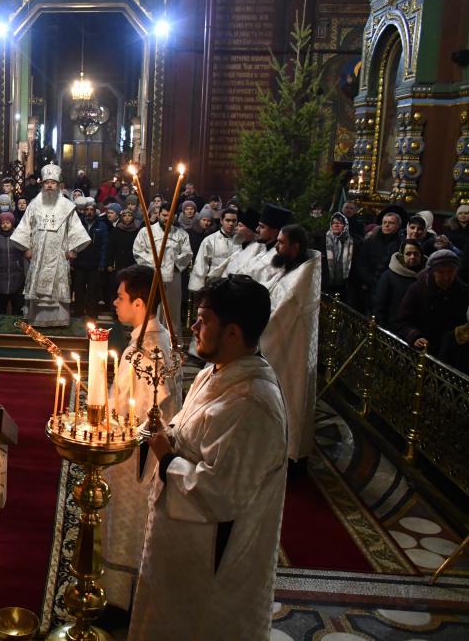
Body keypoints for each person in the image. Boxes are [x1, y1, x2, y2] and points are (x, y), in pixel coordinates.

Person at [129, 275, 288, 641]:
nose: (194, 327)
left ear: (233, 333)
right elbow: (188, 428)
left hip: (211, 560)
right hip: (180, 540)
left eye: (203, 320)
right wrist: (167, 433)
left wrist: (168, 458)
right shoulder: (215, 372)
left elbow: (221, 493)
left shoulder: (253, 404)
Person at [101, 265, 182, 614]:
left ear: (137, 302)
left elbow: (153, 412)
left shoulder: (149, 350)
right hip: (130, 451)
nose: (115, 303)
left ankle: (121, 602)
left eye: (120, 297)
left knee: (129, 527)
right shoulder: (148, 338)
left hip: (136, 461)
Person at [261, 224, 321, 462]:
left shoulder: (302, 277)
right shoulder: (291, 268)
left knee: (290, 399)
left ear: (295, 247)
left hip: (290, 349)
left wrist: (254, 328)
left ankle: (287, 451)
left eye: (281, 243)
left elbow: (279, 317)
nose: (276, 246)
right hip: (281, 344)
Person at [10, 163, 91, 327]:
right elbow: (25, 226)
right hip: (38, 254)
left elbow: (75, 228)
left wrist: (74, 249)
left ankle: (59, 319)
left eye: (52, 183)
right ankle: (37, 319)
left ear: (58, 185)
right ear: (42, 184)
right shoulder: (33, 204)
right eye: (46, 183)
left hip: (59, 255)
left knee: (58, 287)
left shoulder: (67, 206)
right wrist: (26, 247)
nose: (49, 186)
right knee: (38, 286)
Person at [133, 202, 192, 334]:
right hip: (152, 276)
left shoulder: (181, 234)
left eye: (170, 216)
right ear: (159, 214)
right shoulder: (146, 231)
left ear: (175, 216)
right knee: (151, 309)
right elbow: (138, 251)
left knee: (171, 312)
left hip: (173, 277)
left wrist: (171, 263)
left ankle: (172, 344)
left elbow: (187, 253)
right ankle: (147, 338)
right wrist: (155, 264)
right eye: (164, 215)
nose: (167, 219)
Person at [396, 249, 469, 354]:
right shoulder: (417, 289)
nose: (446, 277)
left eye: (450, 271)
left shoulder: (464, 292)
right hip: (422, 352)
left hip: (451, 354)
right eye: (440, 272)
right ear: (432, 272)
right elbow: (402, 322)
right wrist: (415, 337)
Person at [355, 211, 404, 311]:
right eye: (384, 222)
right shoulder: (371, 241)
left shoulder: (401, 244)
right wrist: (368, 279)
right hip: (368, 287)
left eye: (391, 223)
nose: (386, 225)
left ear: (398, 225)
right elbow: (361, 262)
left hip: (389, 289)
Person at [373, 239, 424, 331]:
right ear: (402, 256)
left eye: (416, 254)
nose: (412, 257)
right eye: (408, 254)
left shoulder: (427, 276)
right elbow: (380, 307)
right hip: (394, 330)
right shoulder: (388, 276)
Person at [72, 199, 109, 318]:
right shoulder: (78, 225)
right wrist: (71, 261)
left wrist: (102, 263)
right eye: (87, 210)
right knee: (78, 290)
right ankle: (79, 311)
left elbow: (104, 246)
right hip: (79, 263)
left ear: (95, 211)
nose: (89, 212)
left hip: (94, 264)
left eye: (91, 210)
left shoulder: (102, 226)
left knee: (93, 291)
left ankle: (92, 313)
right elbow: (72, 242)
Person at [188, 207, 239, 293]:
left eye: (234, 221)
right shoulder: (209, 240)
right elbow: (201, 265)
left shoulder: (241, 241)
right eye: (228, 220)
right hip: (214, 285)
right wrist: (199, 290)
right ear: (221, 221)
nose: (231, 223)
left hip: (235, 286)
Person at [0, 211, 26, 316]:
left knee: (16, 303)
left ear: (12, 223)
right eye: (3, 222)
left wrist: (23, 269)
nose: (5, 224)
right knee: (2, 304)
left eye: (8, 222)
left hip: (16, 272)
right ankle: (1, 325)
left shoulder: (18, 235)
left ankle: (16, 326)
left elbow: (25, 253)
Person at [322, 211, 359, 304]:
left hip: (344, 285)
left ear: (345, 225)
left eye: (339, 223)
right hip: (325, 283)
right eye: (334, 223)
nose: (336, 225)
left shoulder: (354, 242)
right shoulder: (322, 240)